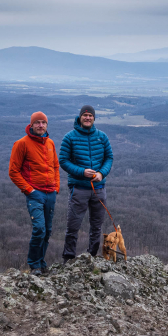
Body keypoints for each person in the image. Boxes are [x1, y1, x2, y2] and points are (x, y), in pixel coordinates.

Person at [59, 105, 113, 263]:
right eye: (85, 115)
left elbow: (109, 158)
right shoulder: (70, 137)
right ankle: (68, 258)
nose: (88, 118)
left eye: (90, 115)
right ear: (80, 117)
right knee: (73, 226)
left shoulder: (102, 137)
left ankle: (92, 255)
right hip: (79, 188)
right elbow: (63, 161)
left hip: (99, 188)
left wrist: (101, 173)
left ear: (94, 118)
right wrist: (81, 172)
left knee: (97, 225)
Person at [9, 112, 60, 276]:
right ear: (31, 125)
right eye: (37, 123)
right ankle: (34, 265)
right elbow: (13, 171)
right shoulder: (22, 144)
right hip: (35, 194)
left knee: (48, 231)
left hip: (50, 193)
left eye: (43, 123)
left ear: (47, 125)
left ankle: (42, 263)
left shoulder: (50, 143)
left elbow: (56, 167)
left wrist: (56, 188)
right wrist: (29, 190)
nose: (40, 125)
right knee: (39, 228)